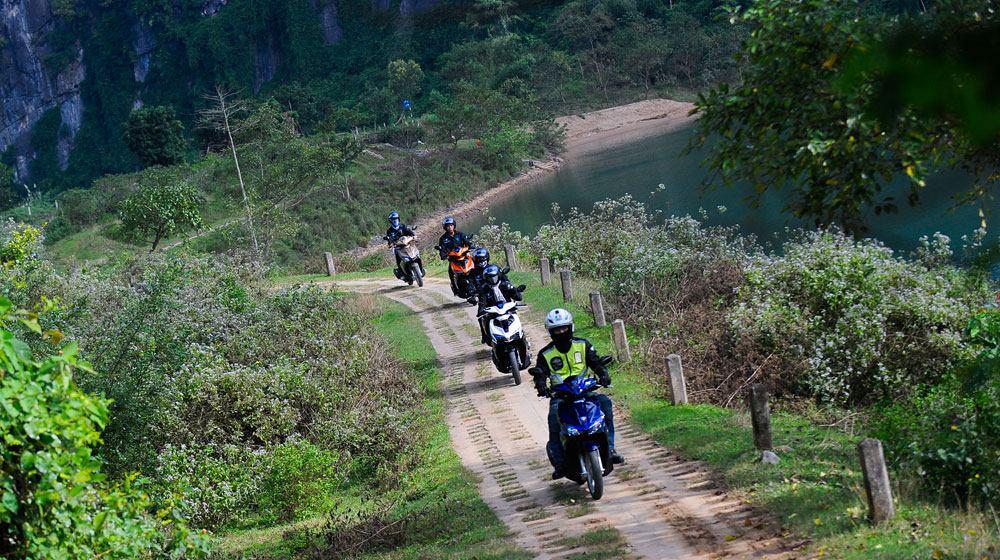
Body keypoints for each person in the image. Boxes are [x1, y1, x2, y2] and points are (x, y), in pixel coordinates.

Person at [532, 308, 624, 479]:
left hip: (585, 393)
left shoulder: (583, 345)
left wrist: (603, 374)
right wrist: (541, 386)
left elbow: (596, 363)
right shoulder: (545, 354)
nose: (561, 332)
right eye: (556, 330)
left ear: (571, 327)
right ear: (550, 332)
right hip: (561, 397)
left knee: (605, 403)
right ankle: (559, 463)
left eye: (564, 328)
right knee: (554, 417)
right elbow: (540, 373)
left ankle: (610, 449)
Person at [474, 264, 523, 344]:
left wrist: (516, 293)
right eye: (490, 277)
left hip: (508, 311)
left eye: (494, 276)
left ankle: (522, 337)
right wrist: (482, 310)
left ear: (498, 276)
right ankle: (488, 338)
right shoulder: (484, 289)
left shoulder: (505, 285)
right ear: (486, 278)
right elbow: (482, 302)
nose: (493, 279)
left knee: (516, 321)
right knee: (482, 319)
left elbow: (516, 295)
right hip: (493, 313)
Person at [385, 211, 415, 277]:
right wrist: (391, 244)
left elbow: (409, 232)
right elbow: (389, 239)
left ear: (398, 219)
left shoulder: (403, 226)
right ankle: (401, 272)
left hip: (407, 244)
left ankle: (419, 264)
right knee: (397, 256)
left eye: (396, 219)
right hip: (397, 247)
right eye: (393, 219)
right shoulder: (389, 231)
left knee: (414, 251)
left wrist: (413, 236)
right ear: (391, 221)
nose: (395, 220)